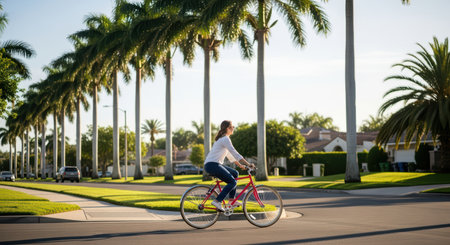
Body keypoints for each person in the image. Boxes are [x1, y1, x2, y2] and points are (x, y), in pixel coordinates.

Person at [204, 120, 255, 212]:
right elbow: (235, 153)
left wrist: (240, 165)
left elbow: (230, 156)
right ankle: (217, 201)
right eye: (232, 127)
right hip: (213, 165)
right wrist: (248, 164)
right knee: (233, 182)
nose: (233, 128)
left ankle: (231, 200)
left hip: (213, 164)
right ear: (228, 128)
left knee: (235, 173)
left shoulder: (223, 139)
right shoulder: (225, 139)